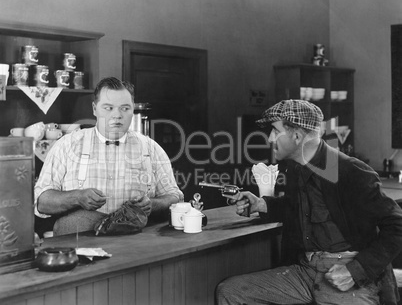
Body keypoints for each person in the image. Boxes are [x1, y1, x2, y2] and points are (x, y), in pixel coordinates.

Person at [216, 99, 402, 305]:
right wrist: (261, 204)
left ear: (296, 136)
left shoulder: (350, 170)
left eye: (275, 131)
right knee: (231, 292)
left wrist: (356, 270)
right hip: (305, 271)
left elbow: (397, 226)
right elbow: (297, 208)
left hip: (345, 275)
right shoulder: (296, 167)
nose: (269, 138)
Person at [35, 77, 183, 235]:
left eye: (125, 108)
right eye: (108, 108)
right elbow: (42, 202)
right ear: (94, 109)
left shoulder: (151, 149)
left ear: (133, 109)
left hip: (138, 249)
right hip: (81, 248)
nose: (117, 115)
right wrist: (77, 197)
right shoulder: (67, 146)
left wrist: (152, 204)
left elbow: (175, 198)